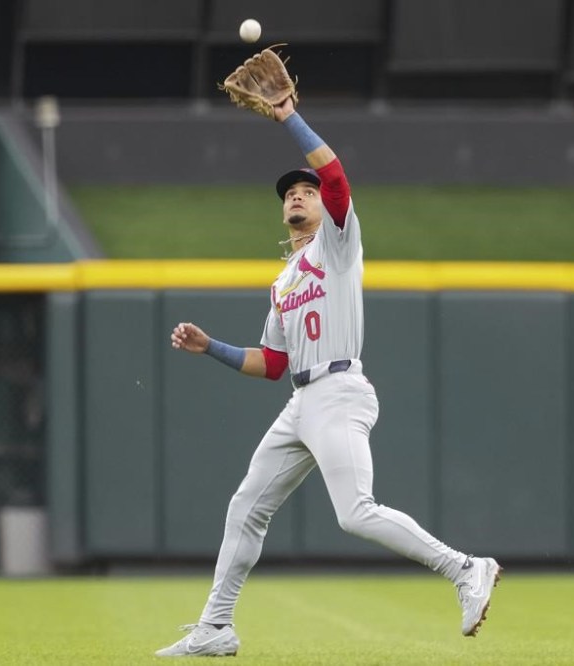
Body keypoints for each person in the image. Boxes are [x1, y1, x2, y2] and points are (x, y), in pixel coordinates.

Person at [155, 97, 501, 658]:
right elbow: (272, 364)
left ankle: (466, 568)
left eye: (305, 191)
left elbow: (336, 176)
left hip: (340, 391)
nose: (297, 194)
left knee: (354, 511)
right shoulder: (284, 280)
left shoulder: (336, 245)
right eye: (289, 192)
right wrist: (210, 347)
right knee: (247, 506)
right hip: (301, 401)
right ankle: (216, 626)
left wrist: (288, 116)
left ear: (322, 207)